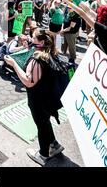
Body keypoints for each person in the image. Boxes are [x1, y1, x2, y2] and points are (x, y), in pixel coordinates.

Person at [4, 29, 64, 166]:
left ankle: (43, 155)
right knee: (45, 121)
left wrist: (13, 64)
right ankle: (54, 144)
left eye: (34, 37)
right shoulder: (53, 53)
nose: (31, 38)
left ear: (41, 42)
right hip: (50, 98)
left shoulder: (37, 59)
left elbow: (29, 81)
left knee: (41, 124)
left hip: (39, 100)